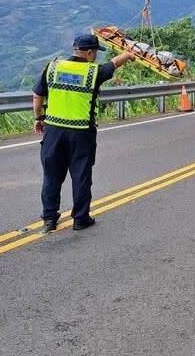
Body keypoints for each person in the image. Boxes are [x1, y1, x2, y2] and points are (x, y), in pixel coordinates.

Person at [33, 34, 135, 232]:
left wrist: (39, 118)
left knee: (51, 176)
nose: (96, 57)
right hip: (81, 133)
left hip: (53, 131)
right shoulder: (93, 72)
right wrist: (128, 55)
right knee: (81, 176)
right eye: (95, 53)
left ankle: (49, 219)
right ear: (89, 52)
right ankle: (80, 219)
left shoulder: (53, 67)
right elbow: (113, 64)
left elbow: (37, 95)